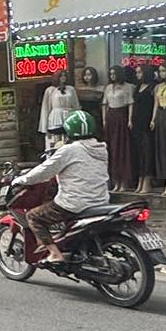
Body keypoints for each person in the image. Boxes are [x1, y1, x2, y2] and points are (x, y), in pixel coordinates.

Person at [13, 110, 110, 263]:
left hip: (74, 204)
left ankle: (54, 253)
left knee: (33, 216)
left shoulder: (69, 150)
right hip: (101, 202)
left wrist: (22, 180)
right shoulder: (101, 148)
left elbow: (44, 170)